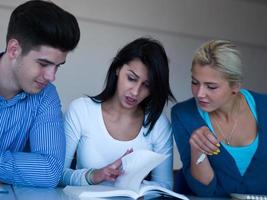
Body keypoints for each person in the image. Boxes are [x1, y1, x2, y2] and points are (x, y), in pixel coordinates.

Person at [60, 37, 175, 189]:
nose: (135, 92)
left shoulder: (158, 125)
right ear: (118, 68)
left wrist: (139, 188)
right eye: (131, 78)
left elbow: (165, 186)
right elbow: (57, 175)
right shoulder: (81, 111)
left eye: (147, 85)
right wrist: (95, 175)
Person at [171, 40, 267, 196]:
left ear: (235, 86)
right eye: (195, 82)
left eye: (211, 86)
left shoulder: (264, 107)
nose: (200, 93)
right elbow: (203, 190)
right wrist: (197, 150)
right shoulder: (184, 115)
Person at [0, 0, 80, 187]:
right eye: (43, 64)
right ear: (14, 49)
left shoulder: (46, 95)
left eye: (58, 66)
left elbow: (50, 170)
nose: (51, 77)